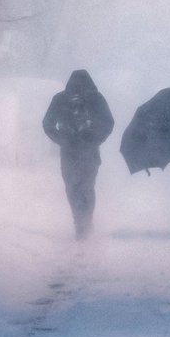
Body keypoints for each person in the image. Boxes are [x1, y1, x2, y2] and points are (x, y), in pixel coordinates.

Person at [43, 70, 115, 239]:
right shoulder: (95, 99)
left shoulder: (62, 99)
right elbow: (108, 123)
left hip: (74, 153)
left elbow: (48, 124)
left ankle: (82, 222)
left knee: (75, 188)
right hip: (85, 151)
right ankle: (84, 221)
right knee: (84, 187)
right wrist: (95, 138)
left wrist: (62, 139)